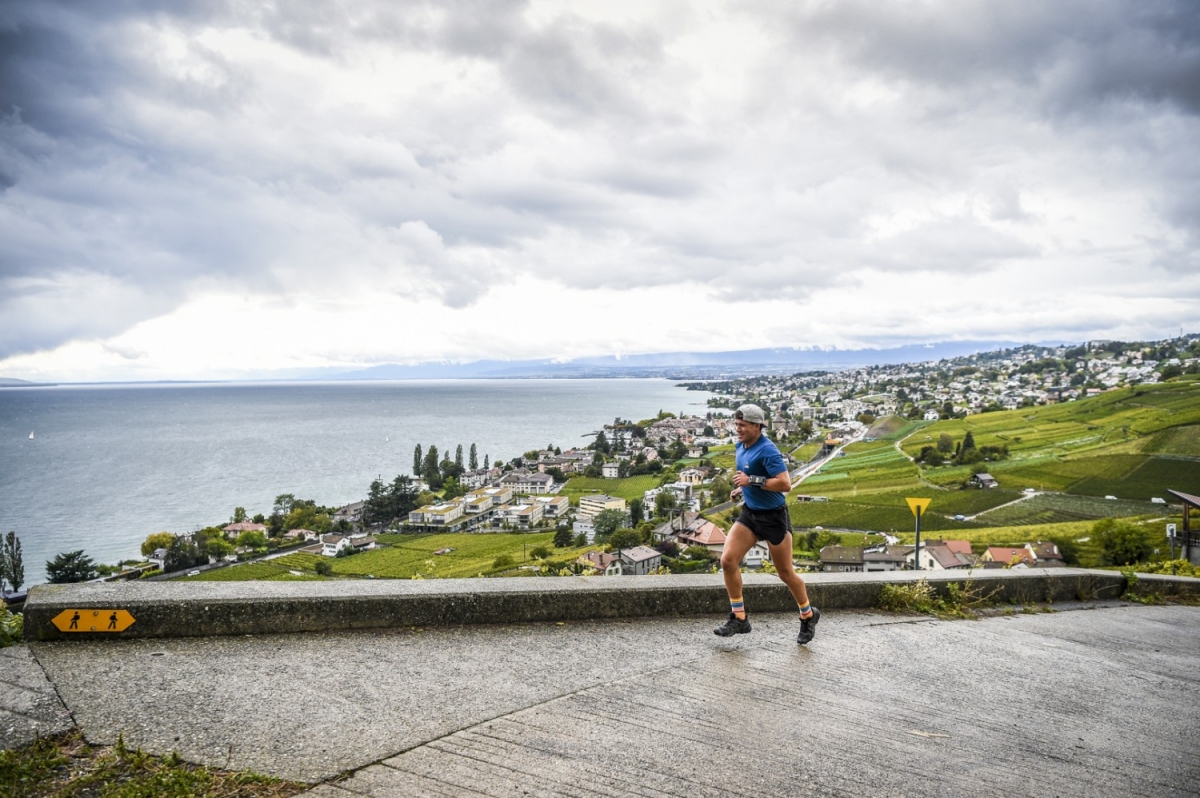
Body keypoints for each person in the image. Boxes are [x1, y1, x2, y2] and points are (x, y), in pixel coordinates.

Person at [714, 404, 819, 644]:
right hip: (750, 514)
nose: (737, 429)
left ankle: (808, 615)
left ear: (756, 426)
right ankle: (739, 617)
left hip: (773, 516)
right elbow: (749, 478)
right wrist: (741, 488)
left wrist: (751, 480)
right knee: (728, 560)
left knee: (785, 573)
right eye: (736, 425)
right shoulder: (740, 446)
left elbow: (785, 484)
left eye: (742, 426)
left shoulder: (768, 450)